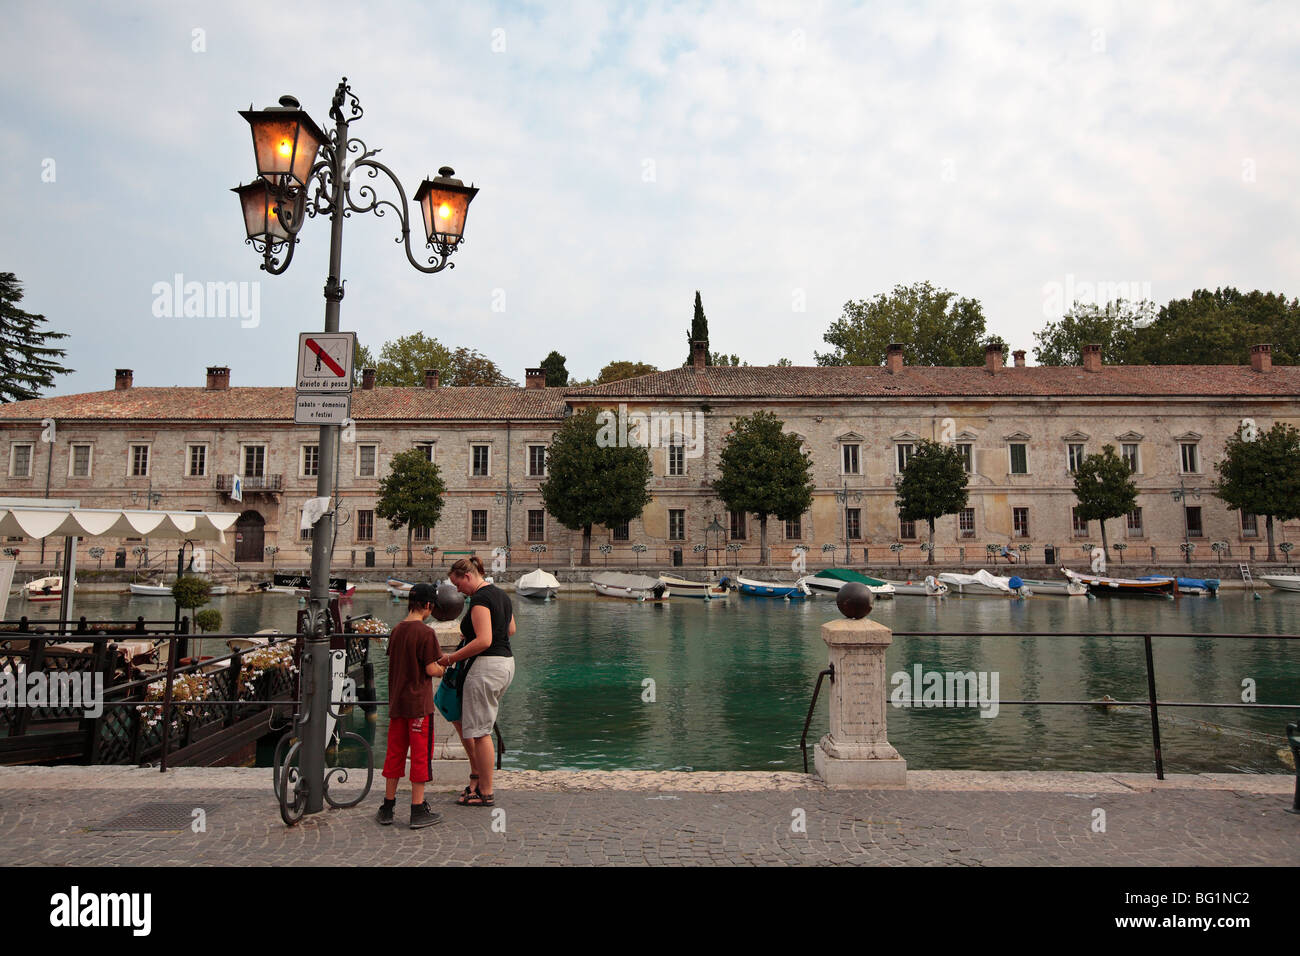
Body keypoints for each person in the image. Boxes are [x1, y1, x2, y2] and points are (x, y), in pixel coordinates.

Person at [438, 555, 515, 808]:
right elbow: (510, 629)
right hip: (506, 665)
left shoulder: (481, 599)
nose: (458, 590)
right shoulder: (501, 595)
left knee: (481, 733)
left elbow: (484, 640)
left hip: (486, 667)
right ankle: (480, 784)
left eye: (457, 584)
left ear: (467, 576)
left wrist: (451, 658)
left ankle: (486, 791)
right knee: (482, 726)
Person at [377, 582, 445, 829]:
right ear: (428, 605)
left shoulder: (396, 630)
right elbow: (429, 668)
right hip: (418, 706)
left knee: (394, 754)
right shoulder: (426, 633)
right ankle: (417, 809)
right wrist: (442, 670)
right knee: (419, 756)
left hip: (397, 704)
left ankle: (387, 806)